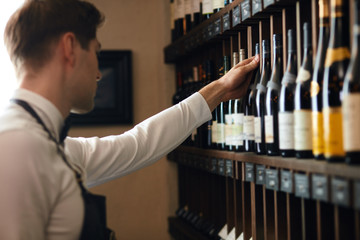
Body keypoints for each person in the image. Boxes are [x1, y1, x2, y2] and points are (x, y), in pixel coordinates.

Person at [0, 0, 260, 239]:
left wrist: (220, 89)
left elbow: (136, 145)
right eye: (95, 52)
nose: (99, 74)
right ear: (69, 47)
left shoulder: (44, 142)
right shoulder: (17, 147)